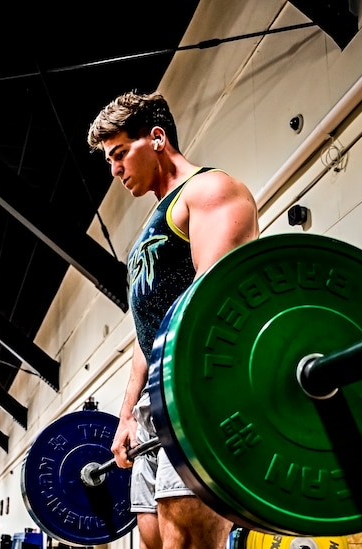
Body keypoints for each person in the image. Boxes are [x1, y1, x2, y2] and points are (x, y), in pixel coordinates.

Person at [87, 91, 260, 549]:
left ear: (157, 138)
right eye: (109, 160)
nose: (116, 170)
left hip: (193, 388)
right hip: (153, 397)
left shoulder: (208, 192)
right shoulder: (154, 224)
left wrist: (189, 401)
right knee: (151, 539)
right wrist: (126, 416)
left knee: (187, 539)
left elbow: (213, 306)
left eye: (120, 154)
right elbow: (149, 334)